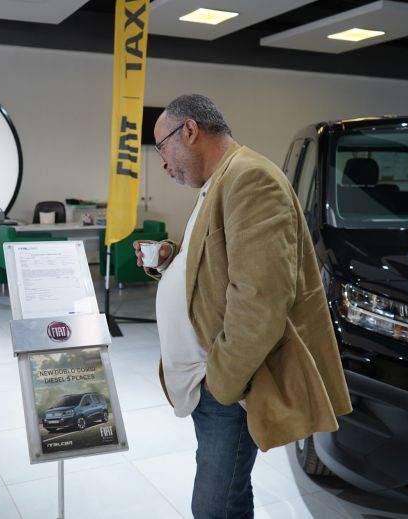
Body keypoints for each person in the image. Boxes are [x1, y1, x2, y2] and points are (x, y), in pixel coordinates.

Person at [134, 94, 352, 519]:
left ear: (190, 131)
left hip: (227, 386)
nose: (162, 162)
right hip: (212, 382)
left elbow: (261, 300)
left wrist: (222, 381)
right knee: (228, 498)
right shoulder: (219, 180)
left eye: (162, 148)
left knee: (215, 506)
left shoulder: (251, 179)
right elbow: (216, 262)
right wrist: (170, 258)